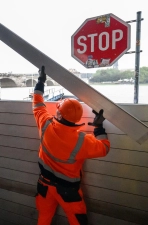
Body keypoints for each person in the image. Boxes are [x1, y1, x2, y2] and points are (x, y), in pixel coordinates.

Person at [32, 66, 110, 225]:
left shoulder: (45, 124)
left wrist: (41, 81)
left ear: (59, 114)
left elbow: (37, 103)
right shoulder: (83, 140)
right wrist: (98, 127)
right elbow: (104, 148)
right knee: (77, 221)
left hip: (44, 186)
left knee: (43, 219)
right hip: (68, 192)